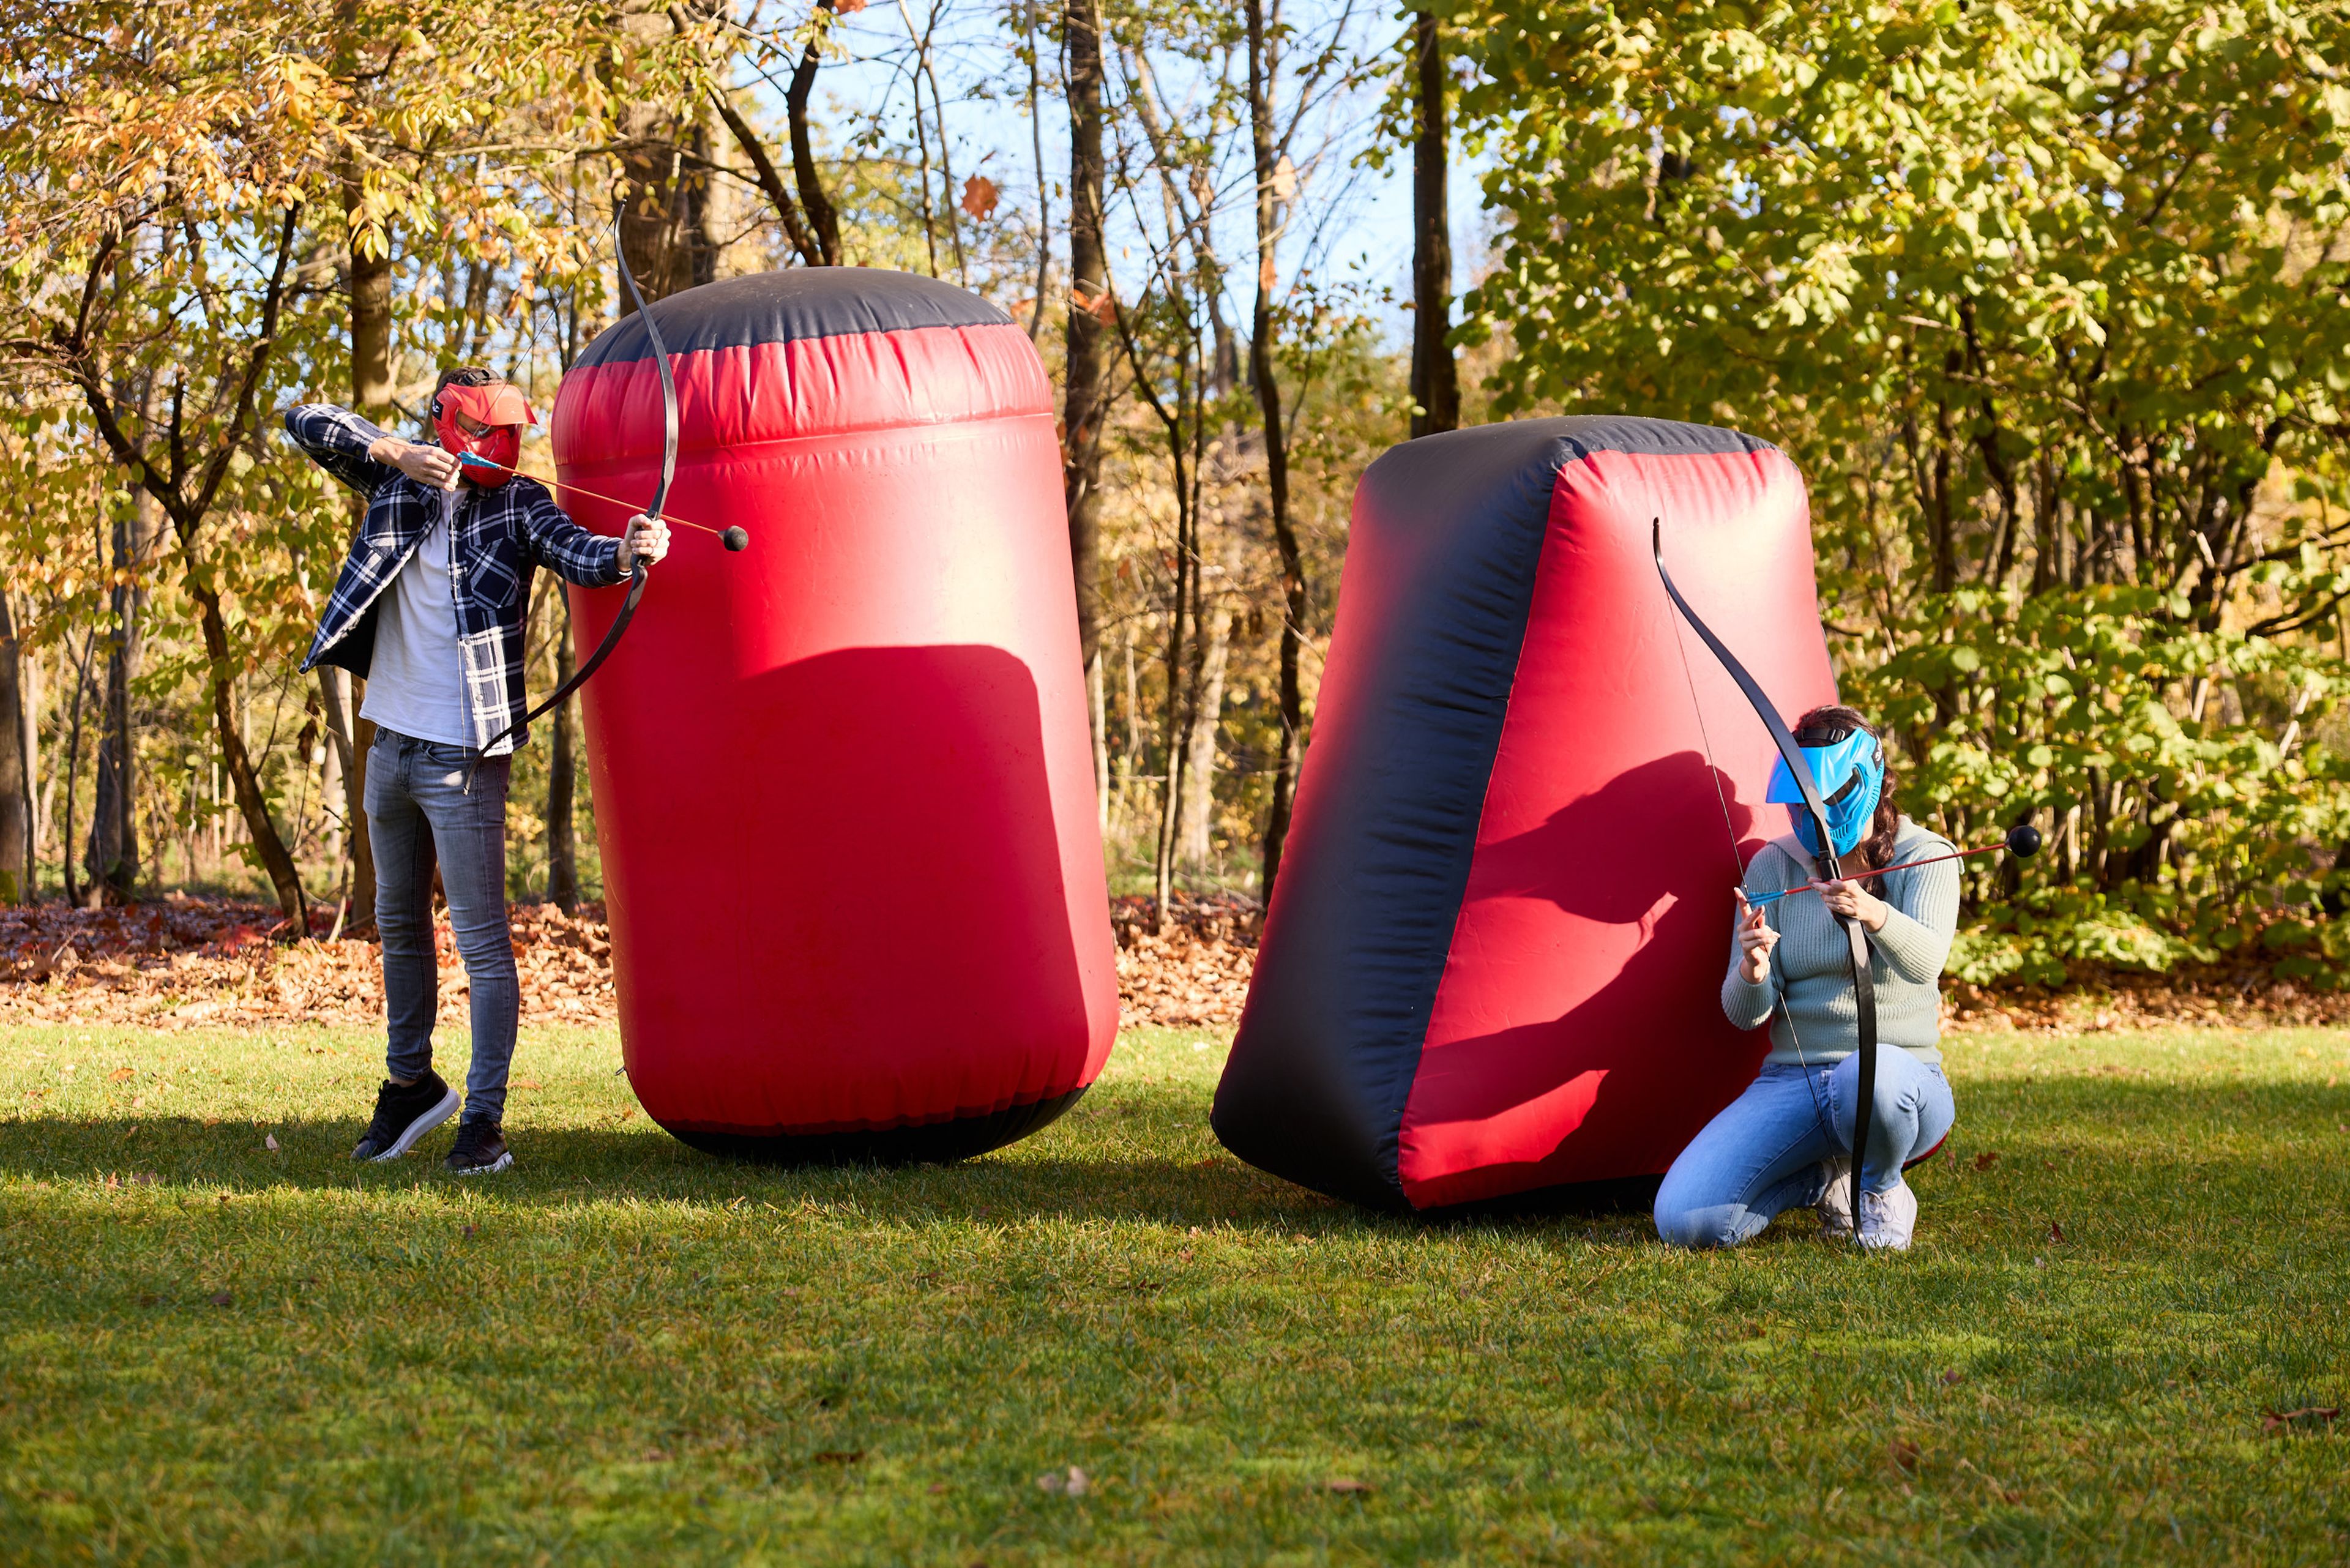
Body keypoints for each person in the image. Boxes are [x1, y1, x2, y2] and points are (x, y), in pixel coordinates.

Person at [285, 368, 670, 1174]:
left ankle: (484, 1120)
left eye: (511, 433)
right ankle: (411, 1086)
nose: (504, 445)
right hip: (390, 745)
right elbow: (304, 419)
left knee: (483, 946)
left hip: (463, 758)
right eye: (487, 431)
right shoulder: (397, 481)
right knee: (398, 926)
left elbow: (580, 553)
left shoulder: (521, 504)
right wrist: (394, 451)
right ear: (448, 425)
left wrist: (630, 550)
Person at [1654, 706, 1960, 1251]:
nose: (1812, 815)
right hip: (1795, 1082)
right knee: (1685, 1223)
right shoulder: (1774, 865)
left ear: (1868, 784)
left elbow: (1926, 965)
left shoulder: (1925, 856)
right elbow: (1744, 1015)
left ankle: (1879, 1188)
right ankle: (1826, 1178)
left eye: (1828, 799)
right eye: (1800, 803)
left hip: (1898, 1082)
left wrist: (1874, 913)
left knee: (1870, 1075)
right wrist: (1753, 970)